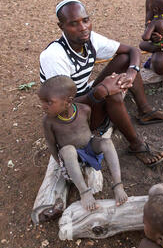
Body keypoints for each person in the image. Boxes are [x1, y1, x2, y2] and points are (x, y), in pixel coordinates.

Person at [40, 0, 163, 167]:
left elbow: (132, 50)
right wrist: (101, 91)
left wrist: (132, 73)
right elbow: (61, 108)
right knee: (113, 94)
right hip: (75, 117)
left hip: (85, 95)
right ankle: (136, 145)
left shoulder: (89, 39)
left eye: (85, 20)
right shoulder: (54, 56)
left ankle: (145, 111)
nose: (83, 27)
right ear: (61, 27)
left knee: (125, 60)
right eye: (73, 24)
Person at [38, 75, 128, 211]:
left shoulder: (85, 110)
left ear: (68, 102)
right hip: (70, 157)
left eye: (48, 102)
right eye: (42, 102)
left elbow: (88, 128)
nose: (43, 106)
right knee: (68, 150)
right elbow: (51, 144)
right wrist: (60, 164)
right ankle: (84, 192)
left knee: (107, 143)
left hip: (88, 148)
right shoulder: (49, 121)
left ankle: (118, 185)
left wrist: (93, 141)